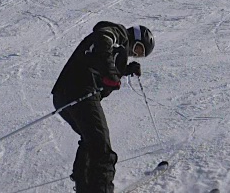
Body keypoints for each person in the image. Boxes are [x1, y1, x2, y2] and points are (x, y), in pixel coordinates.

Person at [51, 21, 155, 193]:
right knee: (102, 149)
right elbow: (103, 39)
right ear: (136, 38)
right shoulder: (118, 33)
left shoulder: (117, 52)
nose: (135, 53)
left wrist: (126, 70)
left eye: (139, 55)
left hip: (64, 94)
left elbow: (103, 65)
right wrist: (111, 74)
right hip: (81, 92)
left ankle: (84, 186)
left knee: (91, 141)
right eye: (138, 49)